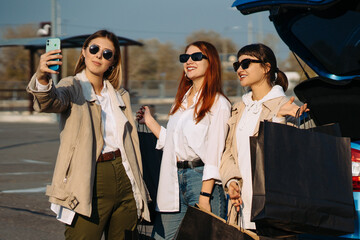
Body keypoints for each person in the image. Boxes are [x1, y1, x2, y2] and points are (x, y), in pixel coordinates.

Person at [26, 30, 150, 240]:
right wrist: (43, 76)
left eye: (107, 53)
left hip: (126, 174)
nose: (99, 55)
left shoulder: (120, 96)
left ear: (112, 62)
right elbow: (50, 101)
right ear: (84, 52)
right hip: (91, 178)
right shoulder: (72, 86)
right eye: (94, 49)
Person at [137, 41, 231, 240]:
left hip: (202, 181)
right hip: (174, 179)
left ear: (210, 62)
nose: (189, 61)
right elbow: (173, 143)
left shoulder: (218, 103)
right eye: (185, 57)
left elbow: (214, 153)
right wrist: (149, 121)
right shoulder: (181, 101)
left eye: (196, 57)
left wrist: (205, 196)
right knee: (161, 237)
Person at [220, 43, 308, 230]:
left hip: (276, 209)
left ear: (267, 67)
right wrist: (231, 180)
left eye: (246, 64)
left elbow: (288, 159)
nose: (239, 70)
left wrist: (279, 119)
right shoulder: (238, 108)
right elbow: (228, 152)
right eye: (237, 66)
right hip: (241, 207)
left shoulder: (286, 106)